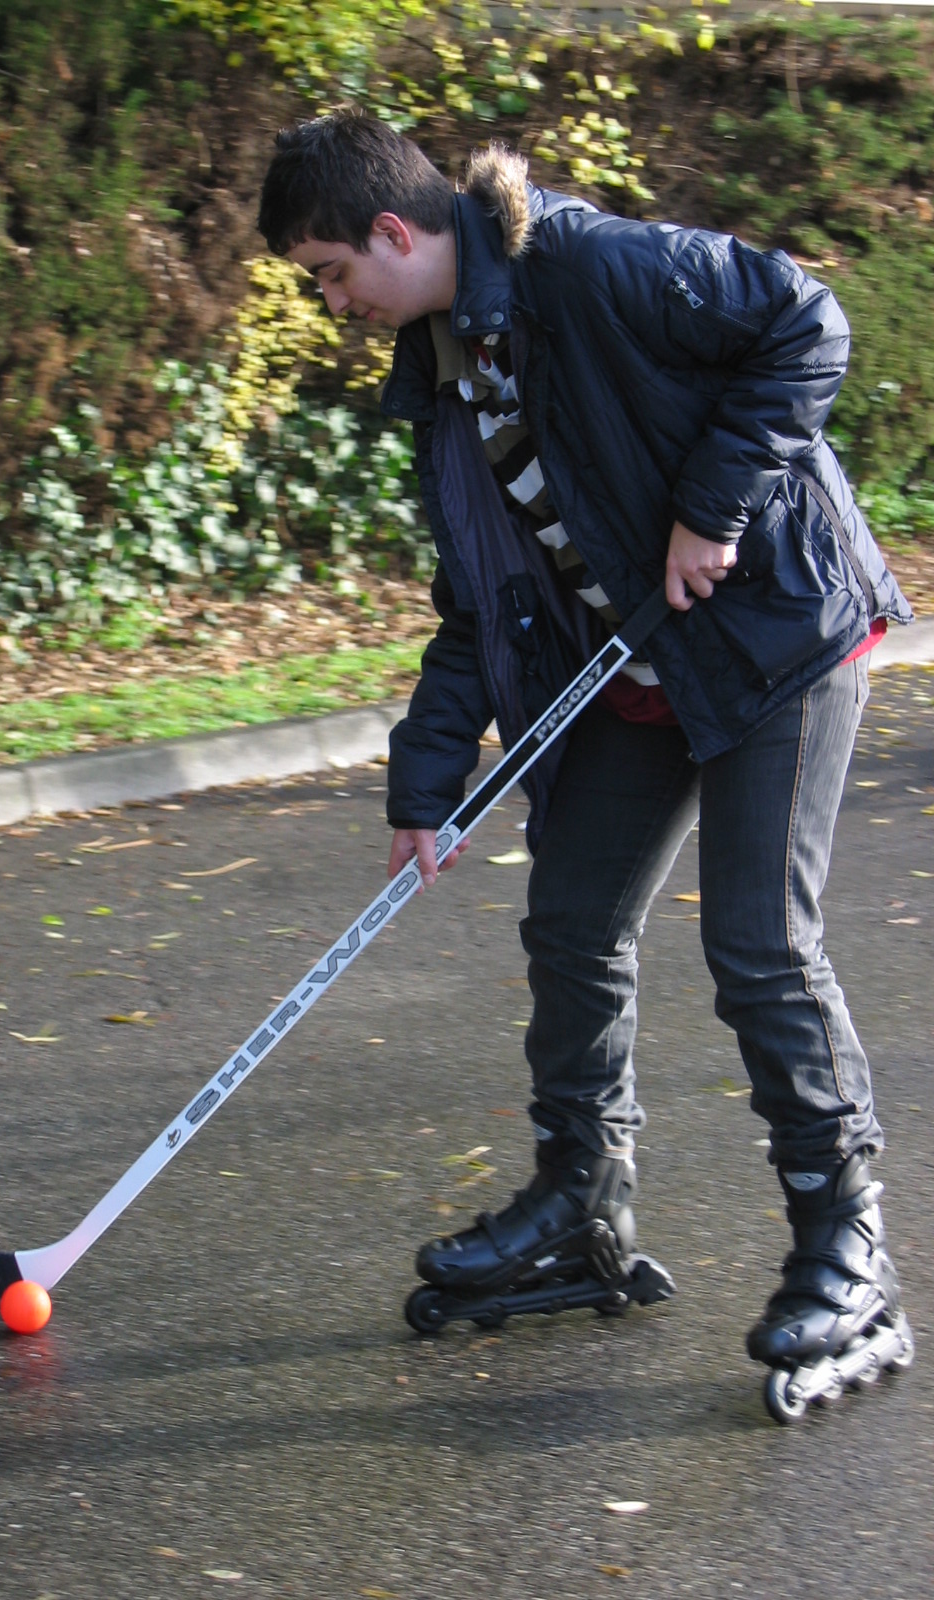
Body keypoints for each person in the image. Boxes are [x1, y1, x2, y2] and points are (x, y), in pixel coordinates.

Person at [257, 108, 915, 1419]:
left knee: (759, 945)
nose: (334, 304)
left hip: (776, 635)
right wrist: (425, 784)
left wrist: (710, 508)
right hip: (636, 669)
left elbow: (809, 321)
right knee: (569, 922)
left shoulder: (588, 262)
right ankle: (580, 1203)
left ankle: (849, 1246)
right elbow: (477, 597)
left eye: (333, 272)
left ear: (397, 231)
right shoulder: (447, 376)